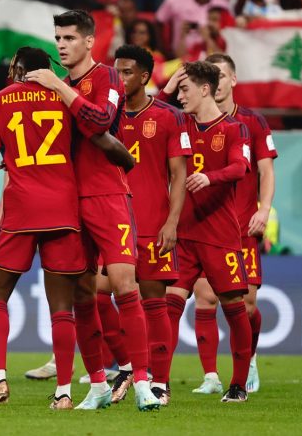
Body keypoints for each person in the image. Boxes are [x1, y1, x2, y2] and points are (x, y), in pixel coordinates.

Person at [25, 10, 160, 411]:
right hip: (66, 201)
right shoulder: (57, 85)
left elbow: (100, 122)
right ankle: (99, 383)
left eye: (69, 37)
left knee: (124, 285)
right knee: (82, 295)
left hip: (107, 196)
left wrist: (58, 88)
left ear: (88, 42)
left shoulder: (107, 77)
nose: (62, 44)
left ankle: (141, 382)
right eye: (58, 38)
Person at [0, 47, 87, 410]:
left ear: (17, 69)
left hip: (20, 212)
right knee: (62, 307)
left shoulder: (0, 100)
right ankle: (64, 392)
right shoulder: (66, 99)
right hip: (63, 209)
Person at [182, 53, 277, 396]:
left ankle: (248, 359)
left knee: (245, 305)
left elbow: (265, 171)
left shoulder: (251, 122)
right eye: (211, 76)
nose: (217, 82)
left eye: (222, 75)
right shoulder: (187, 121)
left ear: (232, 80)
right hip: (202, 228)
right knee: (204, 298)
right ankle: (210, 375)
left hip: (242, 226)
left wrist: (264, 209)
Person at [160, 61, 253, 403]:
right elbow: (146, 112)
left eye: (185, 90)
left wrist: (210, 177)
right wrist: (169, 86)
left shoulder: (234, 129)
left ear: (203, 90)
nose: (180, 96)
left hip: (219, 236)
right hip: (182, 235)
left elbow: (240, 167)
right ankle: (161, 383)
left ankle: (238, 384)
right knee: (168, 306)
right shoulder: (179, 123)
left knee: (233, 306)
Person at [114, 44, 191, 405]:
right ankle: (129, 368)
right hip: (112, 223)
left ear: (144, 76)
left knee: (153, 303)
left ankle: (159, 381)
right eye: (117, 71)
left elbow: (179, 174)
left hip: (152, 223)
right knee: (96, 295)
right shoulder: (105, 115)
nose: (119, 78)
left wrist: (172, 222)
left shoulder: (168, 116)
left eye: (127, 71)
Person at [156, 0, 231, 57]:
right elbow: (158, 22)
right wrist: (163, 51)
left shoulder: (222, 4)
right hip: (180, 59)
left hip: (213, 59)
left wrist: (210, 34)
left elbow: (229, 33)